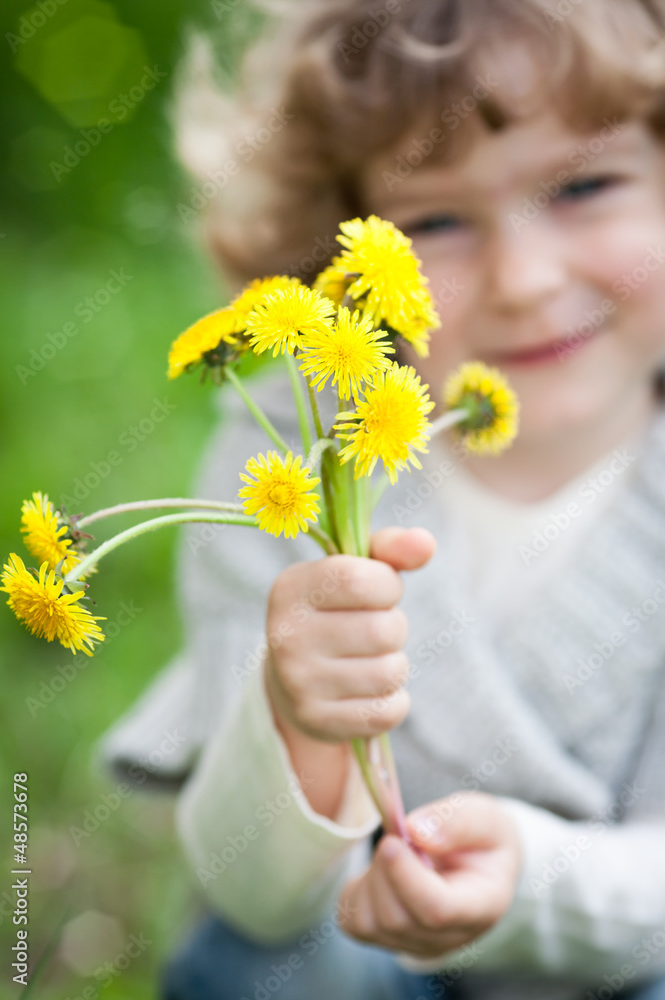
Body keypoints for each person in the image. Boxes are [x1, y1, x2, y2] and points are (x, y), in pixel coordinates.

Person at [98, 1, 665, 997]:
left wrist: (532, 887)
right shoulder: (287, 455)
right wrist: (297, 718)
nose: (522, 280)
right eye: (435, 221)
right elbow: (249, 898)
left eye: (584, 185)